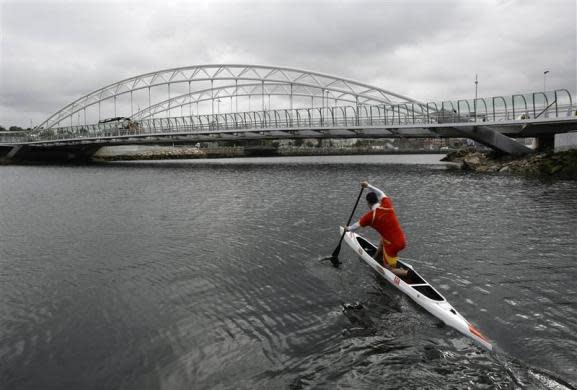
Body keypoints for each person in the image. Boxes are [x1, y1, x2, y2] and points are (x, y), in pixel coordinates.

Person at [345, 181, 408, 277]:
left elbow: (356, 226)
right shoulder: (387, 204)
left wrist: (347, 228)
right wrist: (368, 186)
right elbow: (380, 192)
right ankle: (376, 257)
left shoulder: (370, 217)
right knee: (383, 239)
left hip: (392, 246)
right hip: (402, 240)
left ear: (368, 204)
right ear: (377, 200)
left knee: (387, 268)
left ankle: (406, 273)